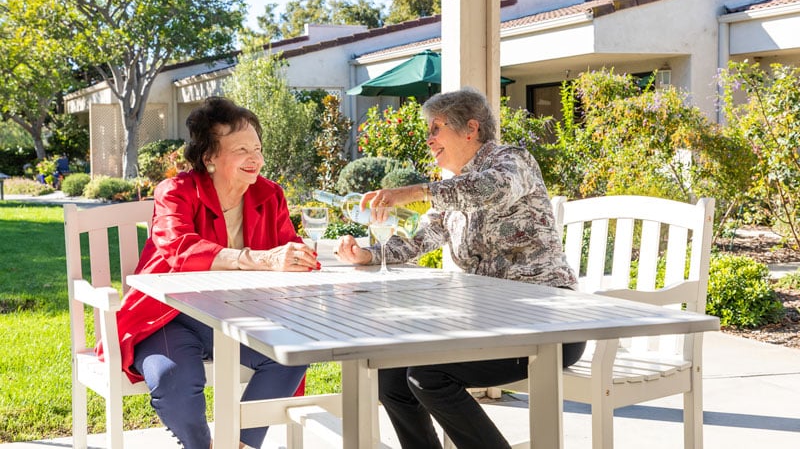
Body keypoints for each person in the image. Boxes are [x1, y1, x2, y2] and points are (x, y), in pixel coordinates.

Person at [334, 87, 585, 449]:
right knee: (389, 376)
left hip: (549, 327)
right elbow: (420, 240)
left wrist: (417, 191)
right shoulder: (453, 191)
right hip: (493, 326)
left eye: (436, 128)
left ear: (470, 128)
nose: (428, 138)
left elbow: (488, 190)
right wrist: (369, 256)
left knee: (427, 377)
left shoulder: (512, 162)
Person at [96, 97, 318, 449]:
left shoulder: (270, 194)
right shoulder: (176, 191)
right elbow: (178, 249)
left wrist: (311, 255)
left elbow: (288, 253)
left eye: (257, 148)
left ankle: (241, 444)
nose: (255, 158)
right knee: (172, 379)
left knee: (294, 353)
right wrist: (258, 260)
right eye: (241, 149)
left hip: (239, 317)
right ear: (209, 157)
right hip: (168, 314)